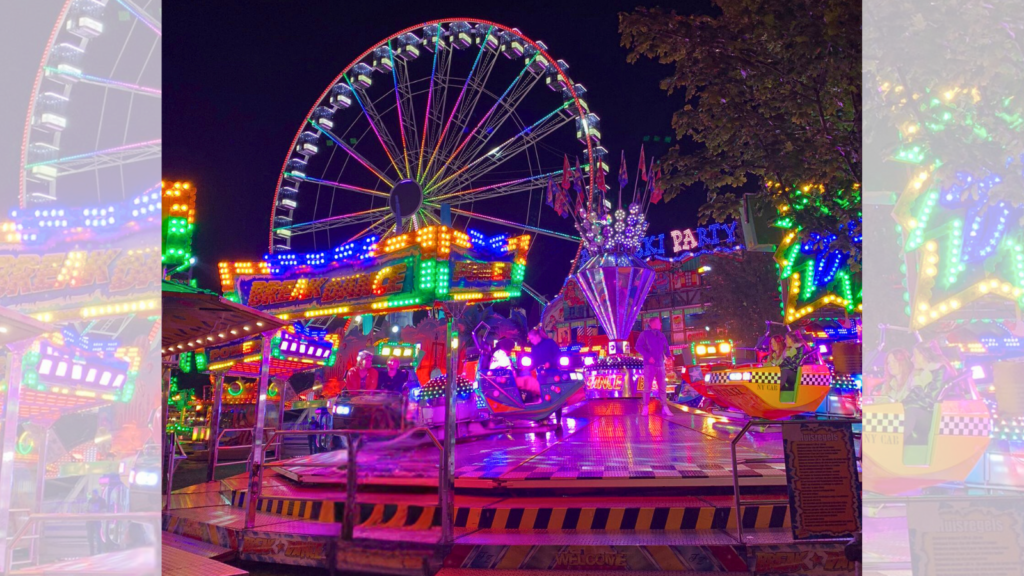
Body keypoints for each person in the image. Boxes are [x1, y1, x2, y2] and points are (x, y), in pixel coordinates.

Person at [903, 342, 956, 445]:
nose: (912, 359)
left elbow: (930, 401)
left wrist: (917, 385)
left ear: (924, 355)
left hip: (940, 419)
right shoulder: (920, 373)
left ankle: (895, 446)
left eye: (915, 355)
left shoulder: (941, 370)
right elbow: (911, 398)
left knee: (911, 411)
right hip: (927, 414)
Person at [636, 317, 671, 416]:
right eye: (659, 322)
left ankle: (664, 406)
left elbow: (666, 347)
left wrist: (669, 356)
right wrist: (648, 357)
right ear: (654, 324)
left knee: (662, 387)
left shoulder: (661, 335)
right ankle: (645, 406)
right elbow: (638, 346)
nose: (661, 324)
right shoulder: (645, 334)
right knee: (647, 387)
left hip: (660, 364)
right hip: (649, 365)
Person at [86, 489, 106, 555]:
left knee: (98, 536)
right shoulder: (90, 500)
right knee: (90, 537)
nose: (93, 496)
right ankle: (92, 551)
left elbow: (104, 510)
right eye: (92, 495)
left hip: (97, 520)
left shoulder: (102, 501)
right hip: (90, 521)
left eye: (94, 495)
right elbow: (87, 510)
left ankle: (99, 551)